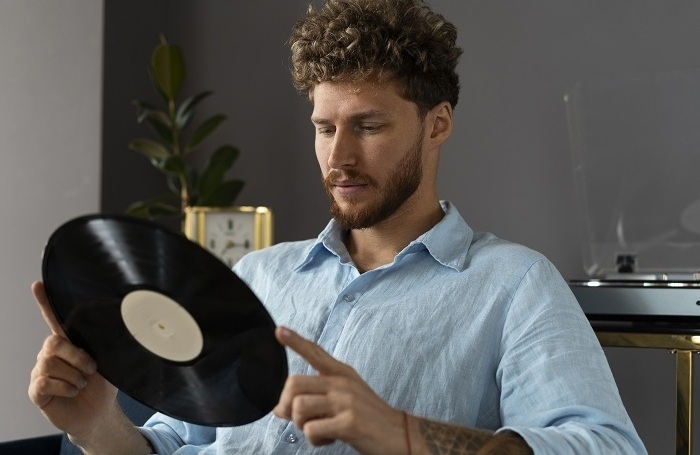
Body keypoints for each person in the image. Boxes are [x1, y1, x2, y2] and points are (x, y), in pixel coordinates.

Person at [29, 0, 647, 453]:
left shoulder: (513, 284)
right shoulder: (257, 275)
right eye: (325, 128)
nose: (339, 157)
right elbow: (179, 442)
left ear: (437, 125)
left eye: (369, 126)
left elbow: (605, 447)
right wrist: (98, 428)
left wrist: (400, 434)